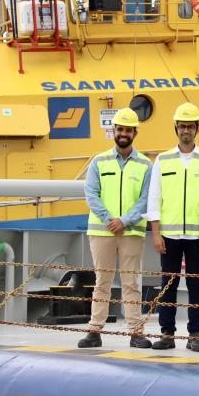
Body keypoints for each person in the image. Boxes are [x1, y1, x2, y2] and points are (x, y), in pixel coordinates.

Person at [145, 102, 199, 352]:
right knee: (168, 284)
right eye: (182, 126)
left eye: (190, 126)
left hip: (198, 237)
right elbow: (154, 198)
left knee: (196, 284)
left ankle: (195, 334)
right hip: (169, 236)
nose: (185, 130)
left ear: (197, 128)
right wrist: (156, 234)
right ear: (175, 128)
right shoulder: (162, 160)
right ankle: (167, 334)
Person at [79, 107, 153, 349]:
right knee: (102, 281)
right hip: (102, 231)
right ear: (114, 131)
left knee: (132, 282)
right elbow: (91, 194)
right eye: (119, 129)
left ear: (135, 132)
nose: (123, 133)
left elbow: (146, 198)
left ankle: (135, 331)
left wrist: (125, 220)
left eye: (127, 130)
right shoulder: (99, 161)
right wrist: (110, 219)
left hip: (131, 231)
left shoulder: (145, 165)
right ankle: (94, 330)